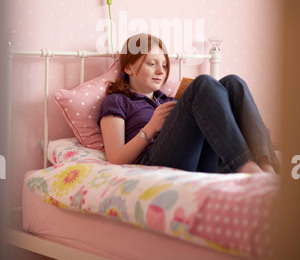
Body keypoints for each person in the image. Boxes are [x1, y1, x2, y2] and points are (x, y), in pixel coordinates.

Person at [98, 33, 280, 174]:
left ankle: (267, 167)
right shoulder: (117, 101)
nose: (160, 71)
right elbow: (114, 158)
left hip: (198, 160)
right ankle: (247, 168)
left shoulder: (166, 99)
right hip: (152, 163)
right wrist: (151, 127)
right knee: (204, 83)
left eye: (164, 65)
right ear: (128, 68)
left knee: (233, 83)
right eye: (152, 63)